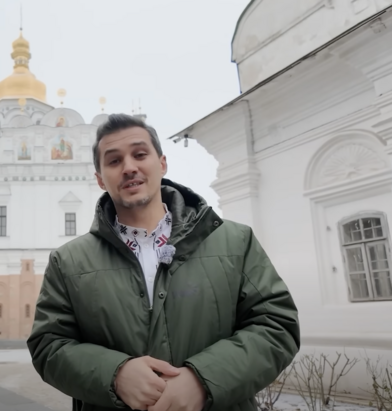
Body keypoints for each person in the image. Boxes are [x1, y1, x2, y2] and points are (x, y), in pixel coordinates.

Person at [27, 113, 301, 411]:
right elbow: (48, 345)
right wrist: (114, 374)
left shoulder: (234, 242)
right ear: (100, 179)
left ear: (162, 163)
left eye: (140, 154)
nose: (129, 167)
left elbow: (277, 325)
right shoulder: (68, 262)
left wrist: (203, 380)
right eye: (114, 161)